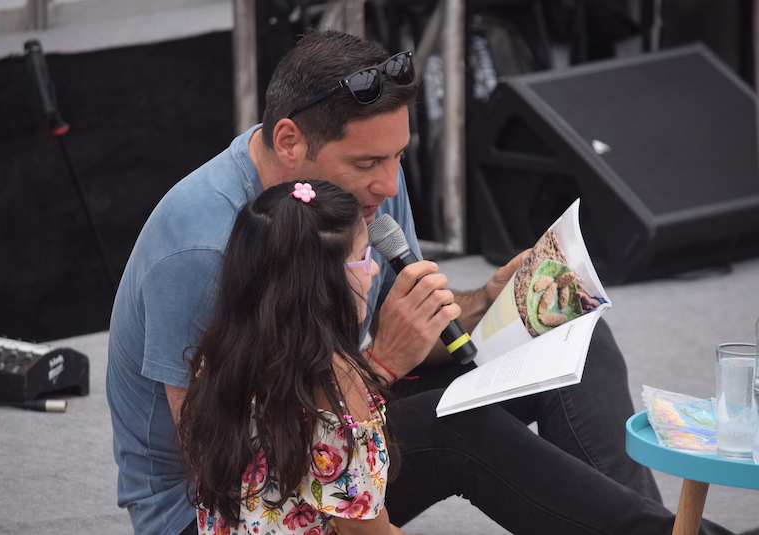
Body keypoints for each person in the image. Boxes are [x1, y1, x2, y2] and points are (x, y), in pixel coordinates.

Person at [107, 28, 741, 535]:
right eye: (368, 162)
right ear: (290, 141)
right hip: (229, 506)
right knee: (457, 430)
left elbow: (404, 329)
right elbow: (220, 458)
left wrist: (488, 304)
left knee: (566, 331)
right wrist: (380, 365)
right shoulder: (201, 245)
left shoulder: (369, 184)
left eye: (399, 157)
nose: (389, 184)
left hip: (342, 408)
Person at [177, 180, 415, 535]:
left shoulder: (219, 360)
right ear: (324, 283)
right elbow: (363, 530)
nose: (375, 270)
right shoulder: (336, 381)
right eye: (365, 257)